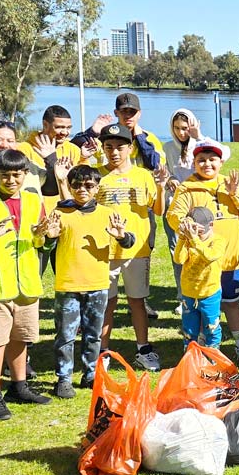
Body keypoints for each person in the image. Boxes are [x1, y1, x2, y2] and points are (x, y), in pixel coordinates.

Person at [43, 165, 134, 399]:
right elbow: (45, 246)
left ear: (97, 188)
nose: (82, 189)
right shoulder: (60, 212)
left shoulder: (107, 214)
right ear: (69, 186)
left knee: (93, 334)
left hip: (98, 285)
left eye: (88, 185)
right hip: (68, 285)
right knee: (65, 335)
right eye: (76, 185)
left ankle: (91, 374)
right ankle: (64, 378)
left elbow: (129, 241)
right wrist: (49, 238)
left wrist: (122, 236)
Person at [167, 138, 239, 367]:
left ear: (221, 162)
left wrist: (236, 194)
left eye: (212, 160)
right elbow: (174, 216)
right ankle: (200, 348)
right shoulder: (187, 188)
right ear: (194, 163)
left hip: (229, 259)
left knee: (232, 303)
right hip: (202, 264)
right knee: (201, 307)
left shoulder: (229, 184)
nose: (207, 164)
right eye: (201, 160)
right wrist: (187, 225)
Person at [87, 124, 168, 372]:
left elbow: (158, 210)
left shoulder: (143, 175)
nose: (114, 152)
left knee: (137, 301)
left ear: (130, 148)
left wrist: (161, 186)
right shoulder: (96, 175)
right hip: (105, 251)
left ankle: (143, 348)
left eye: (120, 147)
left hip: (136, 251)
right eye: (109, 147)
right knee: (107, 303)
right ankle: (103, 352)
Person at [0, 149, 52, 420]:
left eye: (17, 174)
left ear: (26, 174)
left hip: (26, 283)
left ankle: (19, 386)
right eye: (5, 175)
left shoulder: (33, 200)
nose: (11, 180)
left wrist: (43, 235)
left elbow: (40, 242)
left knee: (20, 336)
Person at [163, 108, 201, 312]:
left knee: (199, 251)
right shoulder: (167, 148)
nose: (181, 133)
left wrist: (199, 137)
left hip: (198, 207)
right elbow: (165, 171)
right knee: (177, 252)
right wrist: (170, 178)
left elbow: (224, 153)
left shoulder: (201, 145)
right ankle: (183, 297)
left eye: (185, 128)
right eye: (177, 128)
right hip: (175, 207)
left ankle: (202, 293)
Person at [174, 206, 227, 349]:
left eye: (199, 229)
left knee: (212, 328)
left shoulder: (218, 241)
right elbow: (179, 259)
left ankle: (212, 356)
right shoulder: (188, 240)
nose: (196, 232)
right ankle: (190, 355)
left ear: (211, 225)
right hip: (189, 293)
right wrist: (182, 238)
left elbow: (210, 256)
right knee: (189, 330)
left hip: (209, 293)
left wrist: (194, 239)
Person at [72, 92, 165, 171]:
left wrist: (141, 139)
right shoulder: (105, 136)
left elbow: (156, 165)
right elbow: (71, 149)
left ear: (139, 114)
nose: (128, 116)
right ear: (116, 113)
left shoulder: (149, 138)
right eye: (124, 111)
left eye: (132, 112)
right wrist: (91, 133)